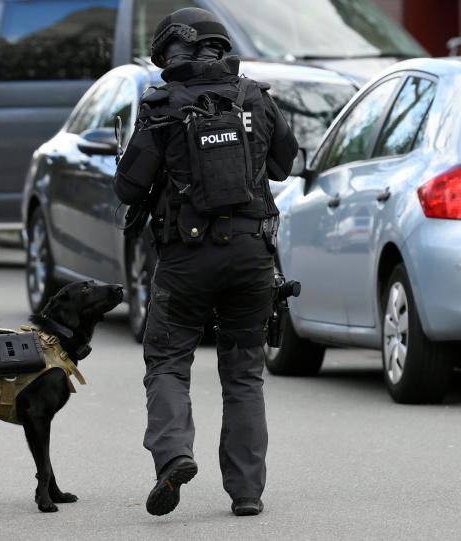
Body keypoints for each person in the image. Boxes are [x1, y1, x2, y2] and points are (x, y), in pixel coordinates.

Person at [113, 7, 298, 517]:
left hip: (187, 259)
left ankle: (174, 454)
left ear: (168, 53)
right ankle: (246, 492)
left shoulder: (161, 104)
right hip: (251, 256)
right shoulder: (254, 97)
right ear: (221, 47)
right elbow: (286, 163)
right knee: (243, 375)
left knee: (169, 362)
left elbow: (128, 187)